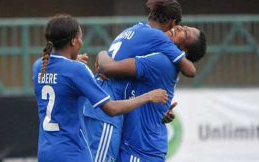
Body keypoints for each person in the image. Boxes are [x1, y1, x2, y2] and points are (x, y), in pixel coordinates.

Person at [32, 15, 169, 162]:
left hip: (46, 152)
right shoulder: (77, 70)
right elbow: (111, 109)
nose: (81, 42)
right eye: (80, 38)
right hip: (72, 153)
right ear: (73, 41)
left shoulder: (39, 66)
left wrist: (71, 61)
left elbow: (60, 74)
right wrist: (148, 97)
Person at [83, 0, 194, 161]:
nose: (177, 30)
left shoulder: (135, 29)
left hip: (101, 102)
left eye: (185, 32)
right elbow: (190, 70)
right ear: (172, 23)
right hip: (106, 105)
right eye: (179, 27)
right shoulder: (157, 38)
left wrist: (101, 54)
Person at [97, 25, 207, 162]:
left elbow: (108, 68)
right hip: (144, 149)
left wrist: (102, 54)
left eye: (185, 34)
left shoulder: (161, 62)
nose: (179, 28)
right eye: (184, 26)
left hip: (139, 151)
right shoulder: (167, 61)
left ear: (184, 52)